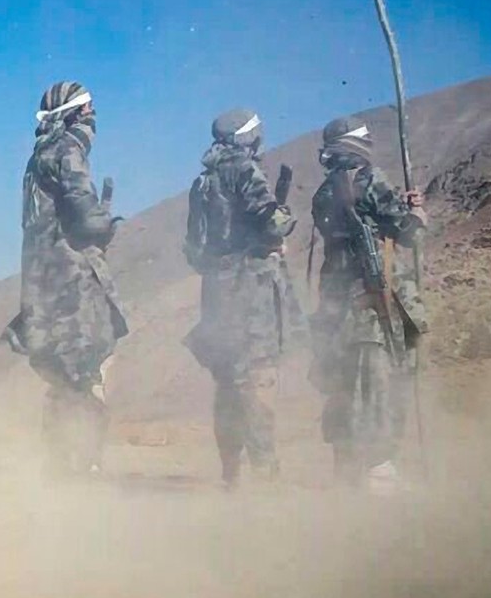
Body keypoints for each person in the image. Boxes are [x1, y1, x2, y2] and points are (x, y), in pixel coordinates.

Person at [2, 81, 128, 475]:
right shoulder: (66, 152)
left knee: (64, 382)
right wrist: (104, 223)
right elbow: (85, 217)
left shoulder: (38, 157)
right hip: (72, 287)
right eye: (88, 112)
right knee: (85, 378)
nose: (92, 120)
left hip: (44, 287)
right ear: (74, 116)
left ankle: (62, 469)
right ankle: (79, 467)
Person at [181, 108, 300, 487]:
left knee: (229, 383)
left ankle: (232, 472)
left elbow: (194, 250)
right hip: (250, 291)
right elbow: (272, 220)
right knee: (257, 380)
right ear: (249, 137)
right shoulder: (244, 170)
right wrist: (281, 226)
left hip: (217, 293)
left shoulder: (202, 182)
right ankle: (266, 474)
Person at [308, 116, 427, 489]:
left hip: (341, 306)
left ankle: (348, 470)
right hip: (378, 303)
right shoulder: (370, 179)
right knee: (381, 385)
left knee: (348, 385)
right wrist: (418, 215)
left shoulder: (324, 193)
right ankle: (379, 470)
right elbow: (405, 233)